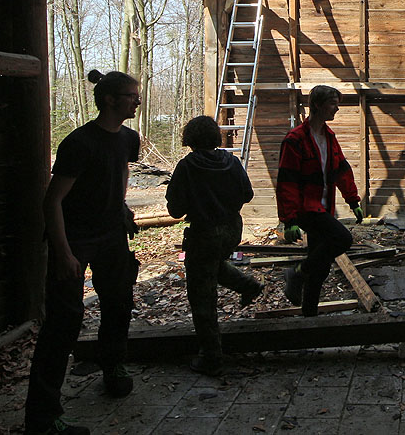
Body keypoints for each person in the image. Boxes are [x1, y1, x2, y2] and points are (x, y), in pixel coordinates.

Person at [24, 70, 141, 435]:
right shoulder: (80, 143)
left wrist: (121, 208)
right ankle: (42, 419)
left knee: (119, 302)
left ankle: (113, 367)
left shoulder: (128, 138)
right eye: (131, 95)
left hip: (110, 236)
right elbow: (52, 200)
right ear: (109, 100)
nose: (137, 100)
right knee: (63, 324)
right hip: (73, 239)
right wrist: (63, 253)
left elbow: (120, 171)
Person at [166, 115, 263, 376]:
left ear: (190, 138)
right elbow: (248, 194)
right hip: (232, 230)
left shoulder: (187, 166)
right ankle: (249, 286)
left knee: (201, 295)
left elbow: (175, 209)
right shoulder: (231, 161)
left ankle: (211, 356)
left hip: (205, 233)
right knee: (211, 267)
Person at [277, 85, 365, 316]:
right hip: (307, 208)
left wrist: (353, 201)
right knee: (343, 238)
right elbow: (287, 181)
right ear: (317, 105)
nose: (337, 108)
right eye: (333, 103)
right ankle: (295, 273)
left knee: (320, 268)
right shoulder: (295, 140)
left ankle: (309, 318)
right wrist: (289, 220)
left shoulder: (329, 137)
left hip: (325, 206)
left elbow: (341, 171)